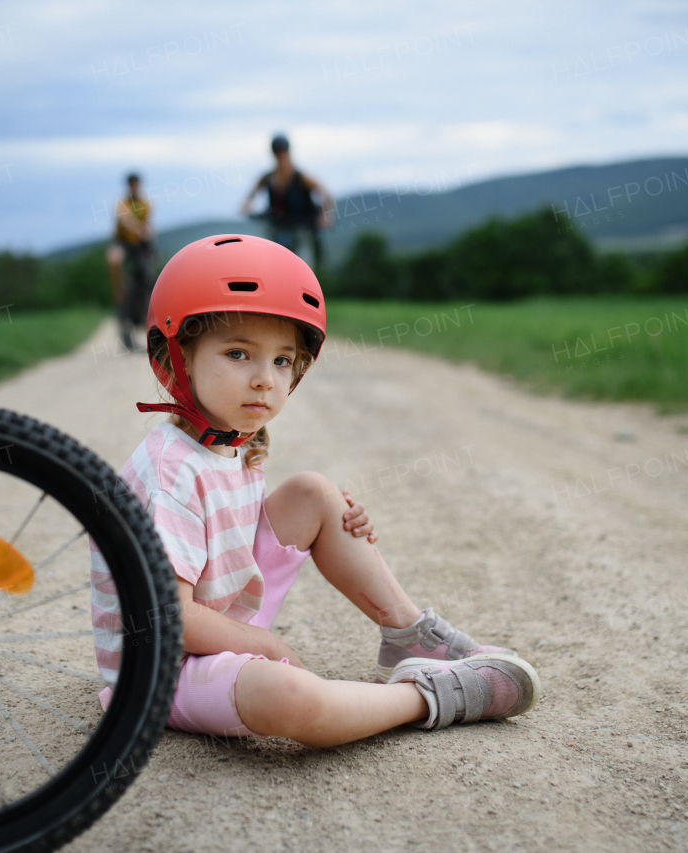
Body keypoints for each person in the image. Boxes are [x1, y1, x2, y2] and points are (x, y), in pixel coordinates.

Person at [92, 235, 540, 746]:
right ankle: (428, 695)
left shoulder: (230, 442)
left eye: (282, 361)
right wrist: (266, 645)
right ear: (178, 358)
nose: (265, 380)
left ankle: (407, 634)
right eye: (238, 353)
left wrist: (336, 527)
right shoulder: (168, 471)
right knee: (291, 698)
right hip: (164, 663)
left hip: (217, 619)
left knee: (312, 492)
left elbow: (227, 536)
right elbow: (172, 617)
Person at [241, 135, 331, 273]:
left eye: (282, 152)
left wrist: (325, 215)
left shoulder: (301, 177)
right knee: (272, 262)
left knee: (304, 265)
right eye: (277, 152)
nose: (280, 156)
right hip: (277, 226)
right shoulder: (267, 178)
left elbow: (326, 195)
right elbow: (249, 197)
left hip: (301, 226)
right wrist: (247, 205)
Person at [111, 172, 156, 351]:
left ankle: (148, 316)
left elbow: (149, 226)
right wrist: (140, 228)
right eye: (132, 185)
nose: (134, 188)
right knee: (114, 261)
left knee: (147, 279)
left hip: (140, 246)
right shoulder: (123, 204)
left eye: (136, 185)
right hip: (123, 243)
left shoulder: (145, 204)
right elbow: (124, 219)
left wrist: (148, 237)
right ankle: (119, 292)